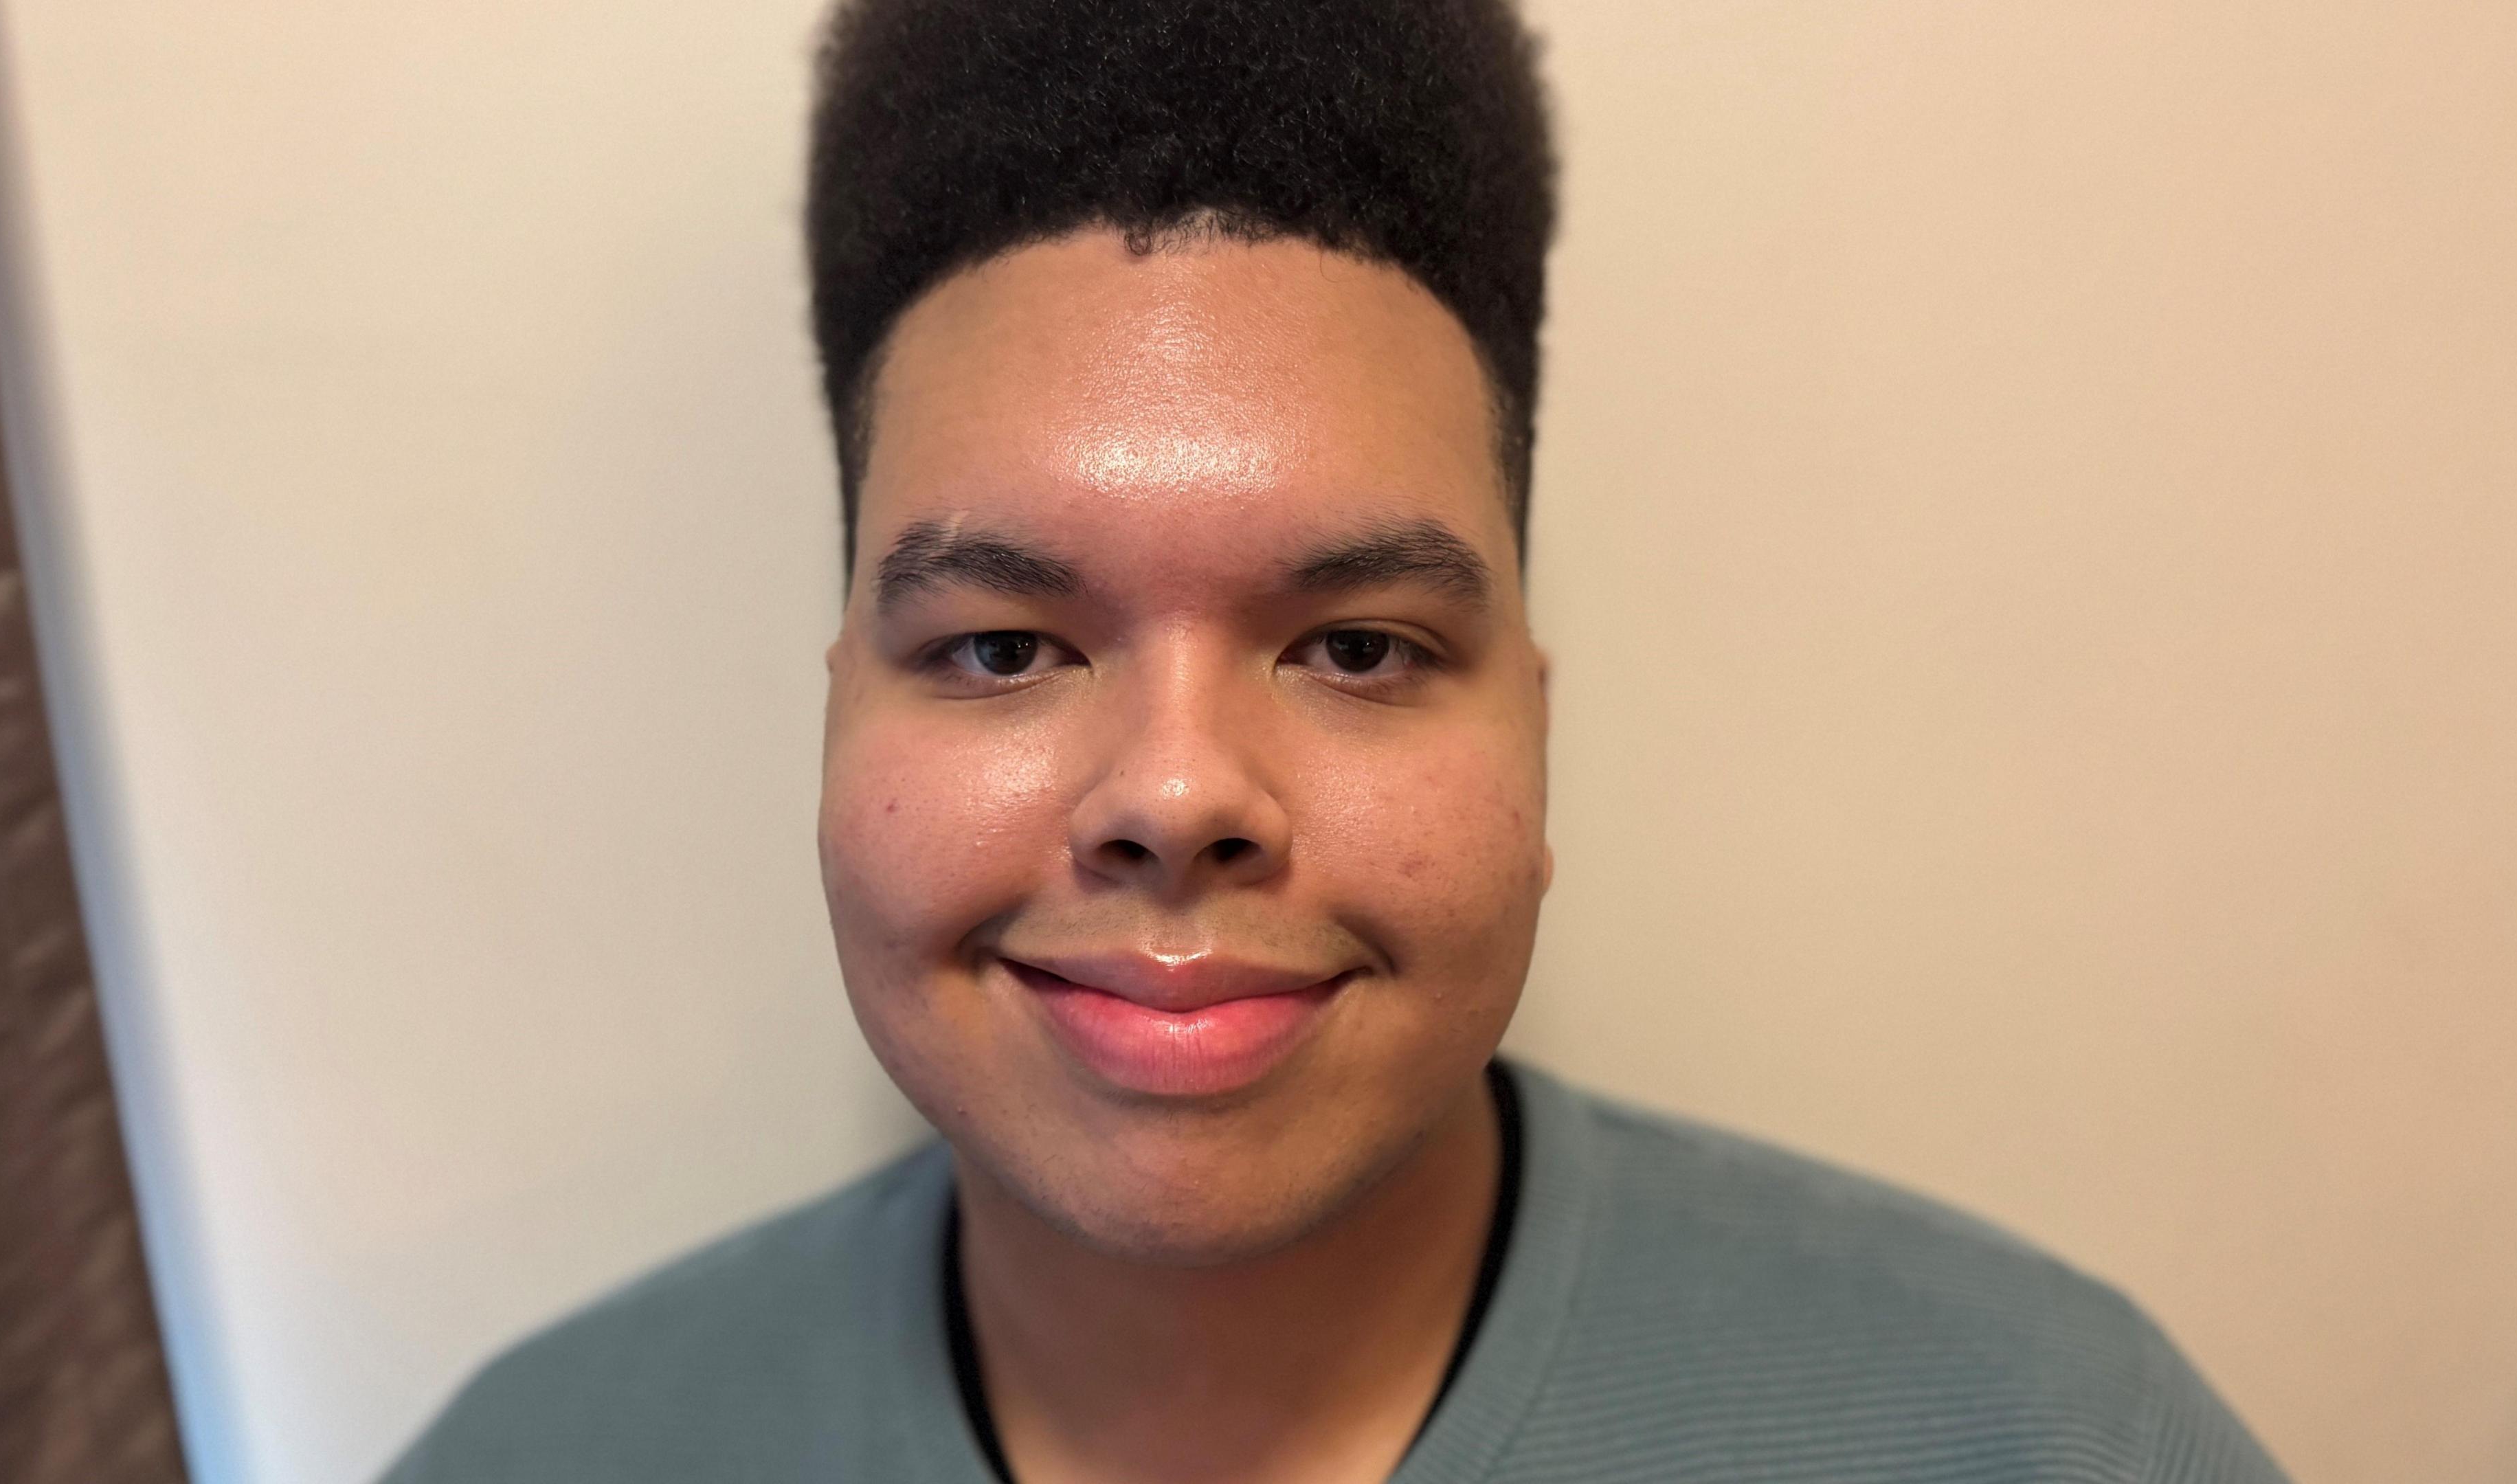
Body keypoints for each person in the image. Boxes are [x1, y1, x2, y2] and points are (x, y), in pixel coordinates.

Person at [383, 1, 2290, 1479]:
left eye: (1359, 645)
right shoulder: (532, 1460)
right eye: (1000, 648)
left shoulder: (2051, 1444)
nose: (1179, 793)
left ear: (1532, 738)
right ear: (838, 724)